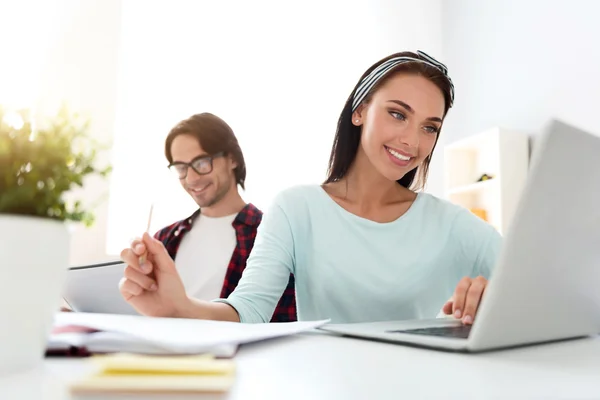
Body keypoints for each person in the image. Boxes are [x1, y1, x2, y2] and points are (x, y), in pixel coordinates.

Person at [119, 51, 502, 325]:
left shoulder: (451, 224)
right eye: (397, 114)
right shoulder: (296, 208)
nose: (412, 140)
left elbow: (541, 288)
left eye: (429, 127)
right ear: (359, 111)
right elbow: (249, 310)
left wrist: (495, 300)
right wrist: (179, 306)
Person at [124, 113, 296, 322]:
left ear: (232, 158)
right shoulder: (166, 238)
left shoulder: (272, 235)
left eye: (202, 163)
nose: (192, 178)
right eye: (181, 168)